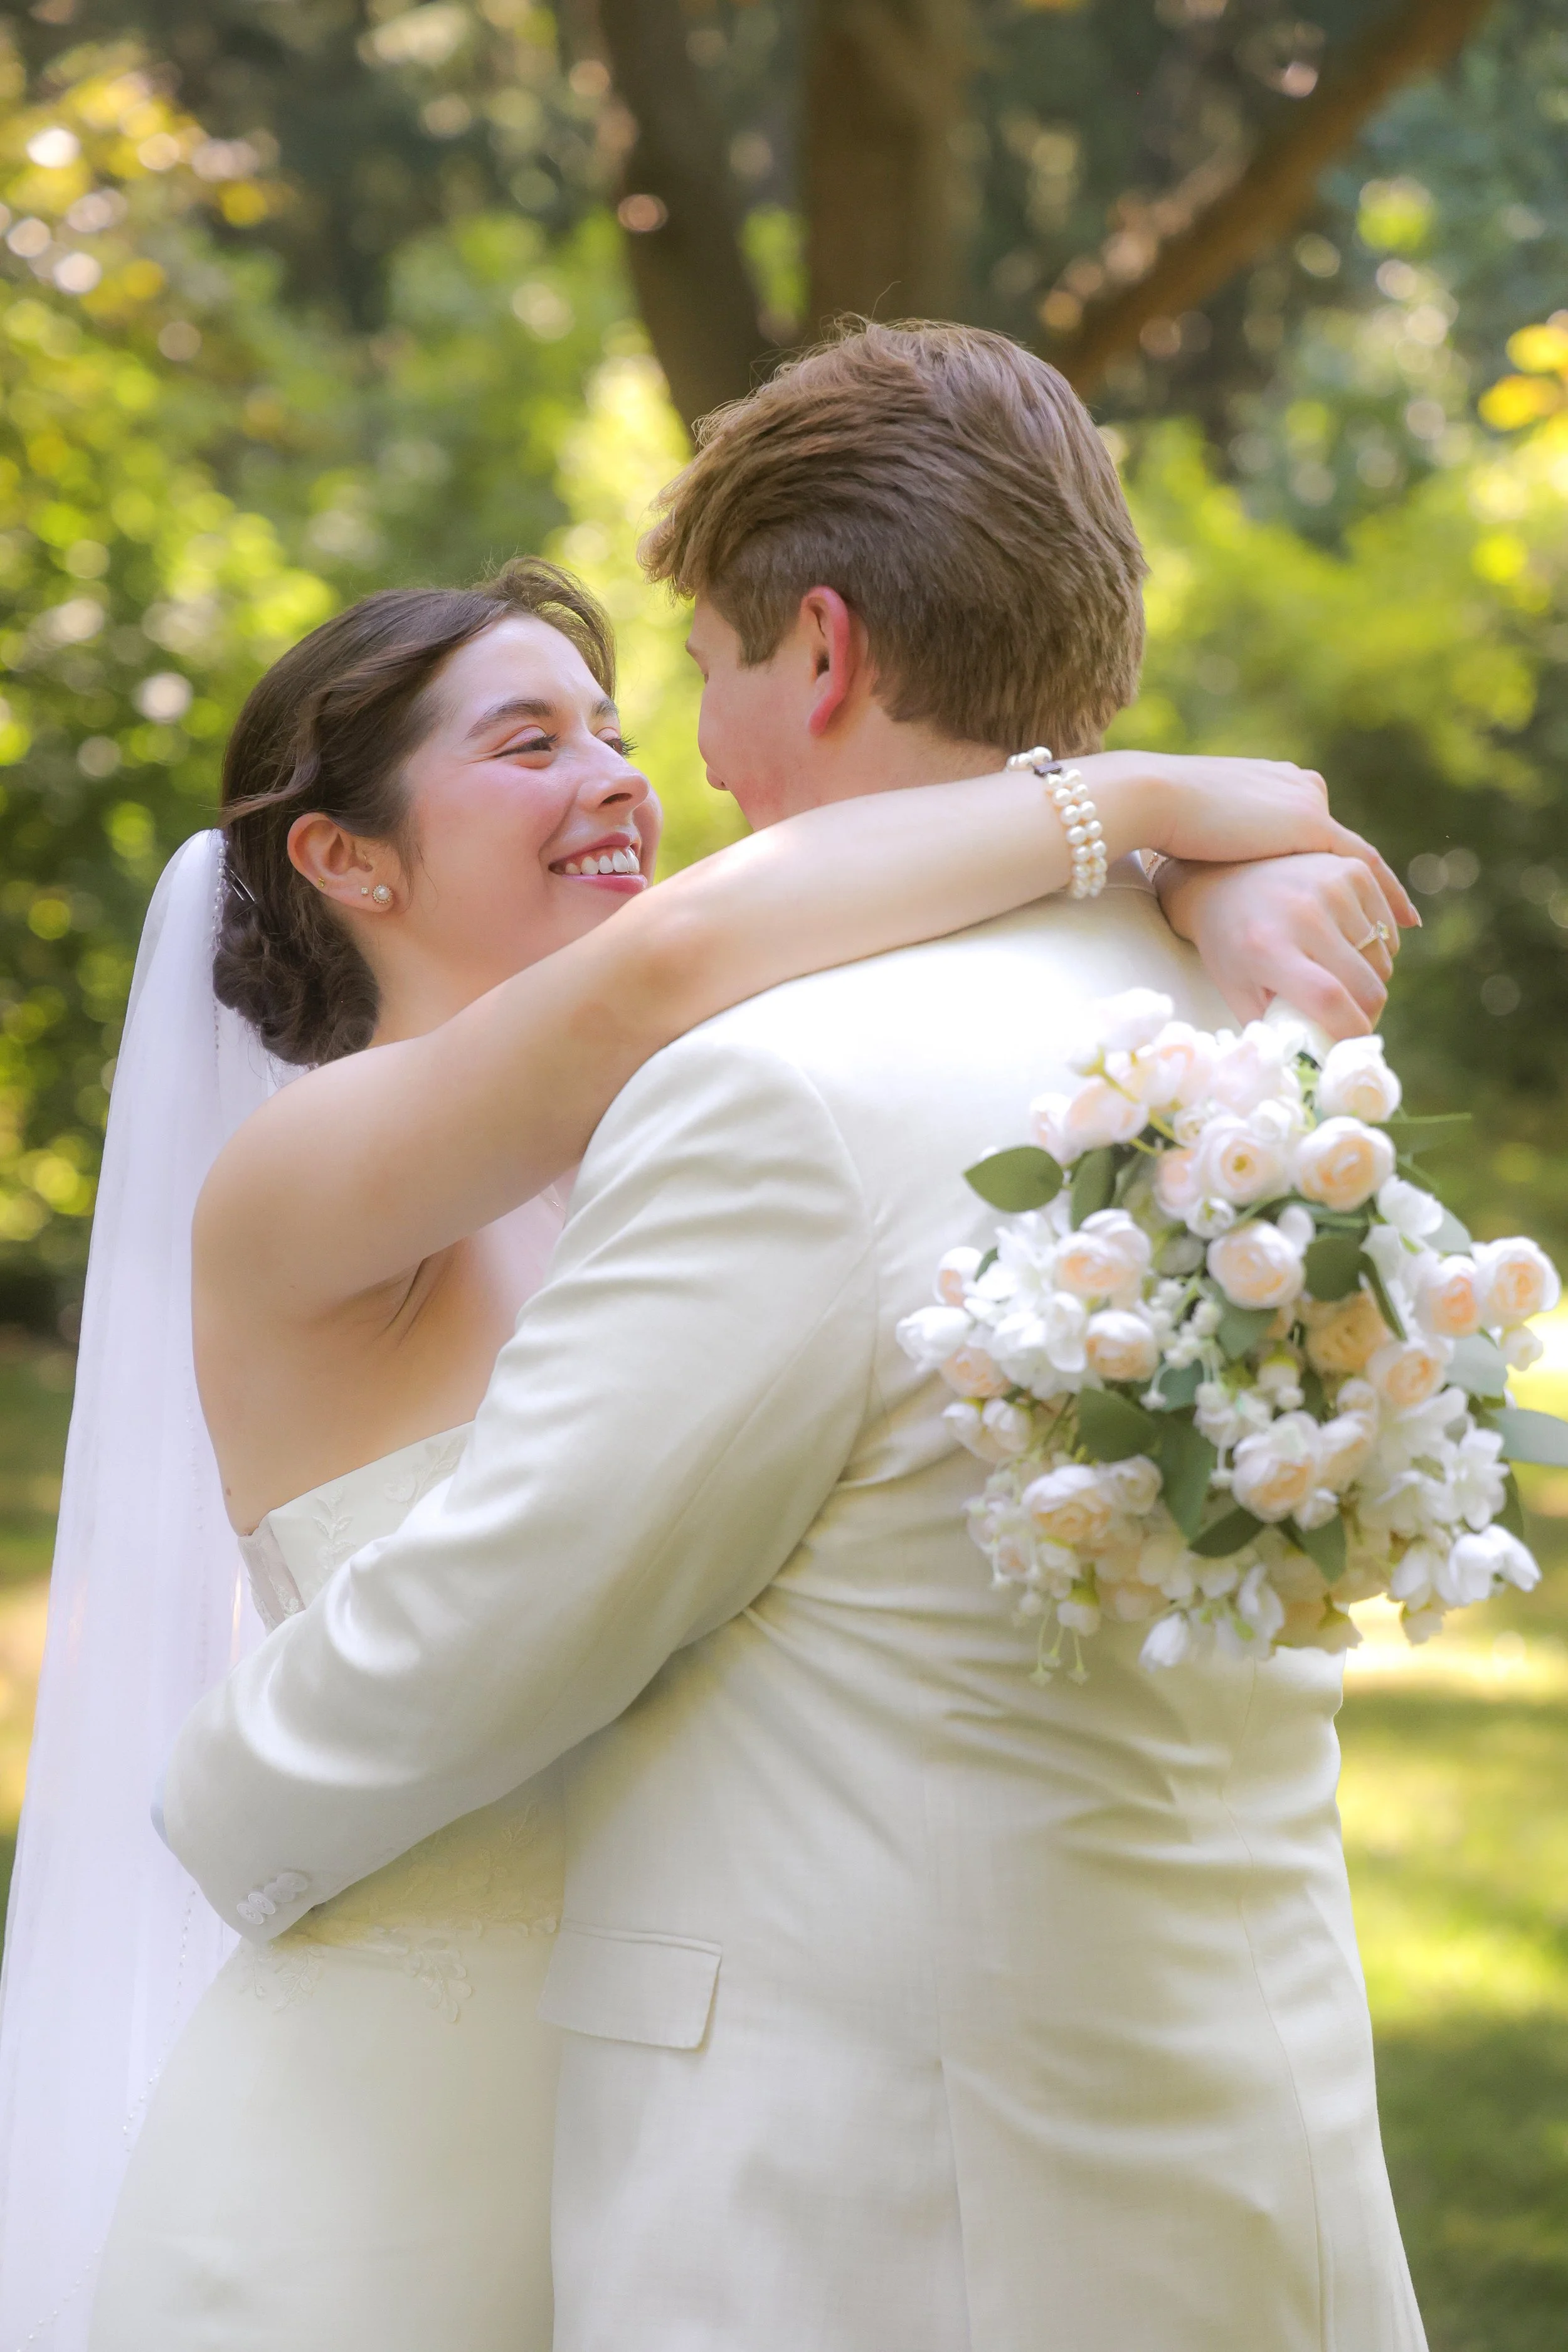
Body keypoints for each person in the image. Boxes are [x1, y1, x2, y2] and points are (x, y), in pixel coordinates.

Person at [5, 337, 1412, 2352]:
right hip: (402, 2086)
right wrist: (1167, 806)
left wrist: (1197, 873)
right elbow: (690, 949)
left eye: (613, 721)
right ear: (345, 856)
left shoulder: (695, 1122)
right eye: (522, 746)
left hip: (660, 2096)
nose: (622, 777)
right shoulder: (314, 1174)